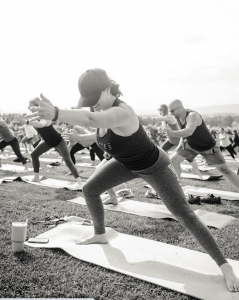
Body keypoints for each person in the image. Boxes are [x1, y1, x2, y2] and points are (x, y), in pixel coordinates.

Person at [27, 68, 239, 292]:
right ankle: (100, 234)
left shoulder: (123, 112)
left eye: (94, 99)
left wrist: (57, 113)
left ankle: (224, 266)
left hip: (154, 167)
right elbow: (100, 134)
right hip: (126, 164)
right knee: (90, 189)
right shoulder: (102, 111)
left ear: (108, 89)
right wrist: (83, 138)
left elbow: (91, 118)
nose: (92, 105)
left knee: (184, 214)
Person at [165, 99, 239, 191]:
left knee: (225, 170)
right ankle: (177, 190)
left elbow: (189, 131)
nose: (171, 113)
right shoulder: (178, 117)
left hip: (208, 147)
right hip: (191, 146)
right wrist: (181, 141)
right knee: (173, 160)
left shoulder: (192, 115)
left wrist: (172, 133)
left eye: (172, 111)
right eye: (169, 111)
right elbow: (183, 130)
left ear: (179, 108)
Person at [13, 114, 82, 186]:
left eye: (31, 106)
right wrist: (24, 120)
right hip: (48, 142)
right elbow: (35, 122)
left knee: (68, 161)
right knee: (34, 154)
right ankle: (36, 177)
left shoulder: (46, 118)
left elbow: (41, 125)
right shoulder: (35, 118)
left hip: (59, 141)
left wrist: (26, 121)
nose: (30, 108)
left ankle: (79, 182)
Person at [147, 104, 203, 180]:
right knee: (160, 152)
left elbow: (159, 119)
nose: (159, 111)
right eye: (158, 110)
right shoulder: (164, 120)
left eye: (161, 109)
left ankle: (199, 174)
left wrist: (149, 119)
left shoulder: (169, 117)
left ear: (165, 110)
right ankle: (164, 170)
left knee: (189, 158)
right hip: (170, 140)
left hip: (178, 140)